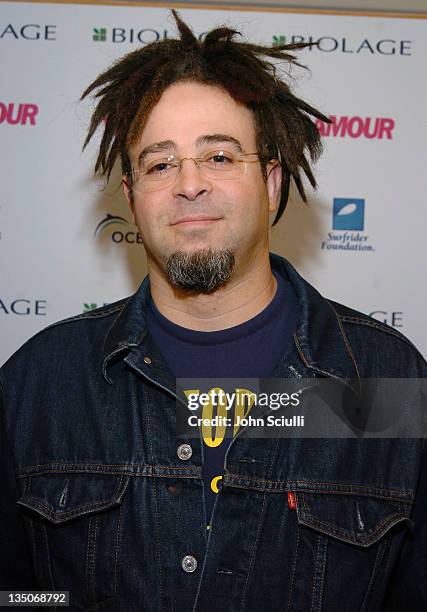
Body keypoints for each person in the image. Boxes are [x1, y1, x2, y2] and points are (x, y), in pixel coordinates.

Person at [0, 10, 426, 612]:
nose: (189, 183)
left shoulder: (386, 381)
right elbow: (16, 594)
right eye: (160, 162)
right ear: (132, 197)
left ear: (273, 183)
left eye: (220, 157)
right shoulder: (41, 380)